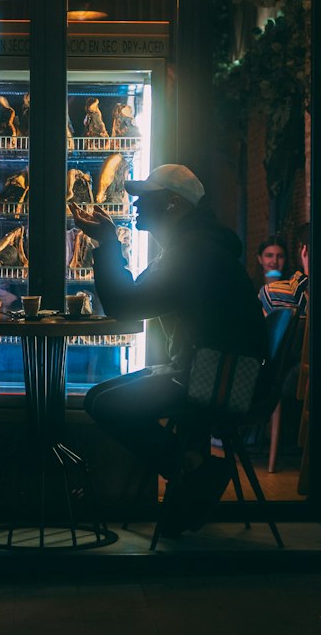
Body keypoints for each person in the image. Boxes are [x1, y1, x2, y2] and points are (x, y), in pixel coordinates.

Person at [70, 164, 265, 535]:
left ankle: (197, 470)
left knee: (104, 404)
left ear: (174, 203)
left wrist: (109, 244)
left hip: (219, 378)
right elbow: (133, 298)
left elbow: (126, 306)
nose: (137, 203)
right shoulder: (189, 246)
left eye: (147, 197)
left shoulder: (192, 253)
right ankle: (191, 466)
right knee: (98, 399)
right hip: (215, 369)